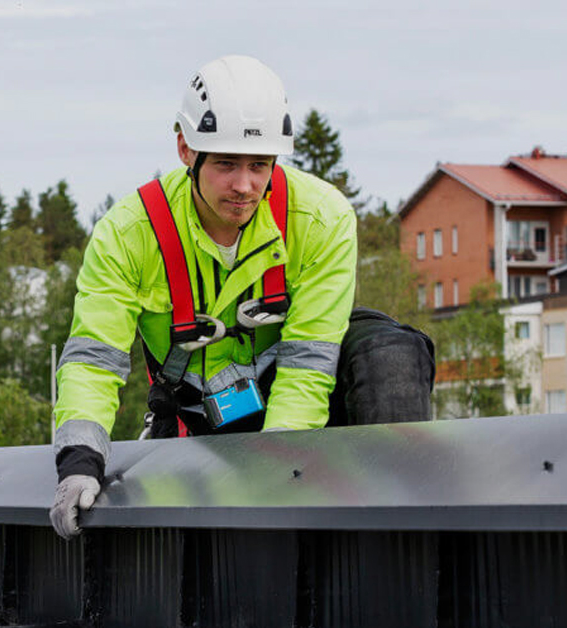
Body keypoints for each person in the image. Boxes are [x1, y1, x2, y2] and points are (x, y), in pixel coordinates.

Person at [49, 55, 357, 540]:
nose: (244, 185)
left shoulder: (321, 220)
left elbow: (309, 363)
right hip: (200, 421)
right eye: (226, 164)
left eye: (260, 166)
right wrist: (80, 463)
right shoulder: (130, 233)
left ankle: (391, 522)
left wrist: (277, 477)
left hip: (295, 418)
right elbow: (94, 358)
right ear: (186, 150)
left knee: (387, 349)